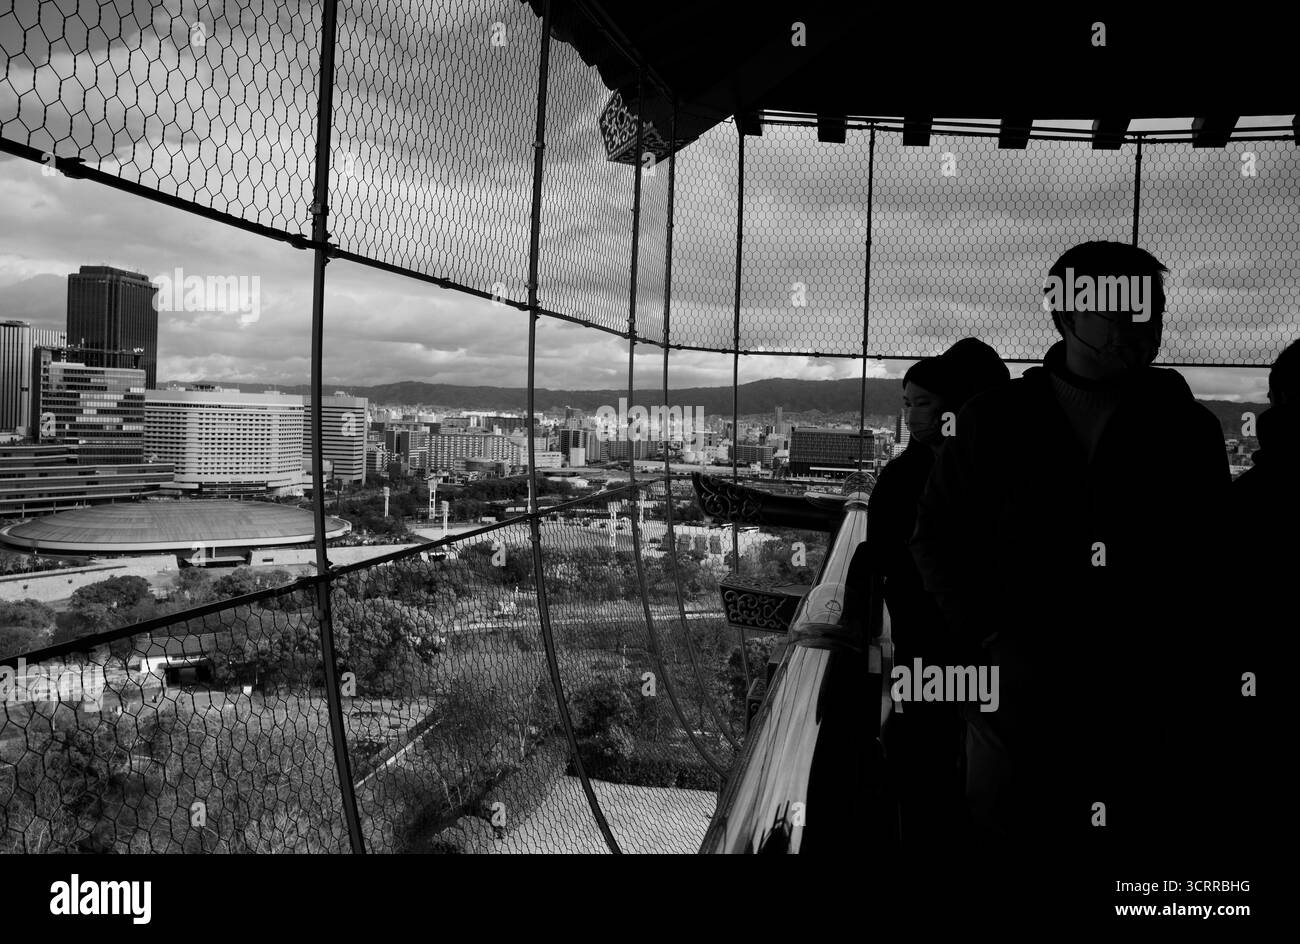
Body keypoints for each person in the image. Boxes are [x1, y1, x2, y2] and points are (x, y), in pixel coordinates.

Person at [910, 241, 1232, 866]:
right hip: (1095, 690)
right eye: (1122, 308)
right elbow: (936, 536)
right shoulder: (1180, 428)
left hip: (1106, 692)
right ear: (1065, 316)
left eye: (1151, 308)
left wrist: (986, 638)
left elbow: (934, 538)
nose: (1142, 323)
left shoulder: (1000, 420)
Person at [866, 339, 1009, 855]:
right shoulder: (998, 471)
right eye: (906, 403)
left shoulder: (909, 475)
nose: (909, 416)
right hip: (974, 646)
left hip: (930, 645)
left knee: (928, 760)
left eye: (921, 402)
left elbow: (887, 561)